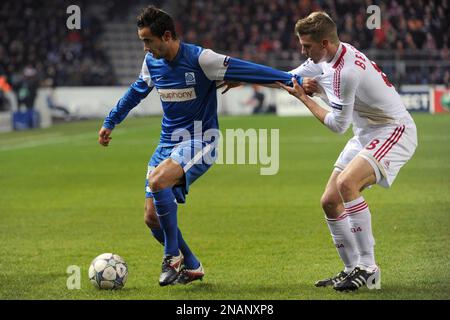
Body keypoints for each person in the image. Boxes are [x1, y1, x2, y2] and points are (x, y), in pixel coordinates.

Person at [98, 5, 304, 286]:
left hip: (200, 139)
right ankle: (192, 265)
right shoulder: (151, 63)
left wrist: (295, 79)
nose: (145, 48)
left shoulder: (201, 59)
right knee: (151, 219)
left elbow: (250, 69)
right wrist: (111, 121)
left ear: (167, 35)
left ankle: (171, 258)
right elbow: (136, 92)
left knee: (159, 182)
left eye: (148, 41)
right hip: (167, 143)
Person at [278, 12, 417, 291]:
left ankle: (368, 267)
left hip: (393, 130)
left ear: (325, 43)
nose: (302, 51)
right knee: (329, 200)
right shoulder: (329, 57)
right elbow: (289, 75)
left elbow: (336, 125)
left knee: (346, 183)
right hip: (365, 132)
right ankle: (352, 267)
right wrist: (243, 78)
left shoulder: (345, 71)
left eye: (307, 46)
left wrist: (306, 98)